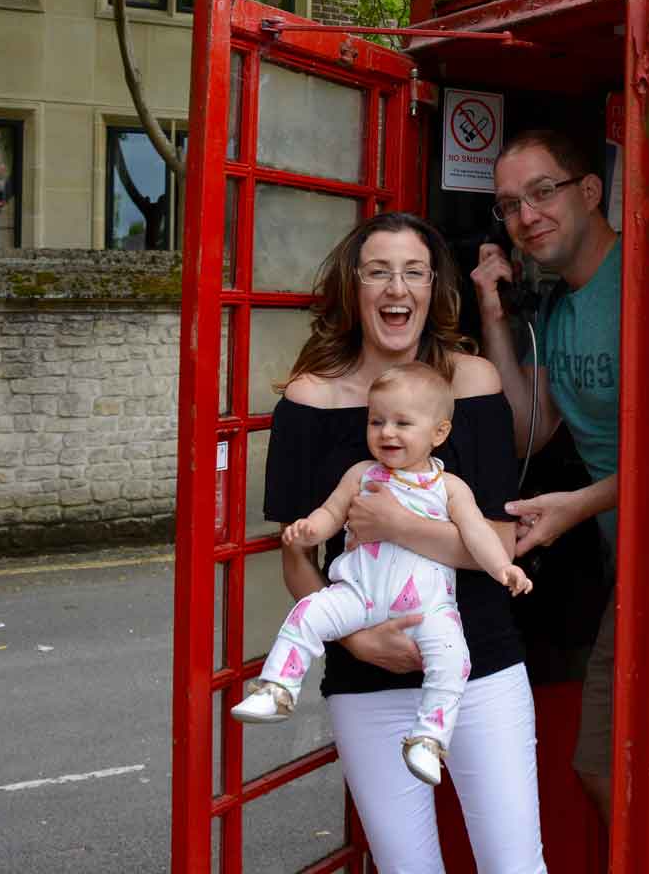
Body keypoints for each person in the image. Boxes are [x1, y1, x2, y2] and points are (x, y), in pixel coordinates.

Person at [263, 212, 548, 874]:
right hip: (368, 679)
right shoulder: (310, 400)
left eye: (414, 272)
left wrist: (393, 524)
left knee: (514, 866)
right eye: (380, 272)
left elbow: (499, 540)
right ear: (354, 287)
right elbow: (296, 553)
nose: (398, 287)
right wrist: (356, 640)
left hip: (481, 667)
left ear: (433, 287)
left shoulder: (471, 382)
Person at [235, 363, 533, 788]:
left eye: (402, 423)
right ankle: (278, 687)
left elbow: (479, 536)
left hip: (428, 608)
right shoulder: (360, 474)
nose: (387, 432)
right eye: (377, 421)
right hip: (359, 595)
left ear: (439, 433)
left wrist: (504, 568)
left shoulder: (449, 486)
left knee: (453, 660)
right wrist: (309, 530)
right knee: (308, 613)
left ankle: (429, 738)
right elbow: (331, 513)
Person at [470, 129, 622, 823]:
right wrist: (496, 313)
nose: (525, 216)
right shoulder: (559, 308)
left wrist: (577, 507)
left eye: (542, 192)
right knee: (602, 768)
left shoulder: (645, 283)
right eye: (508, 205)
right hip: (633, 564)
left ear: (589, 192)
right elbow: (530, 425)